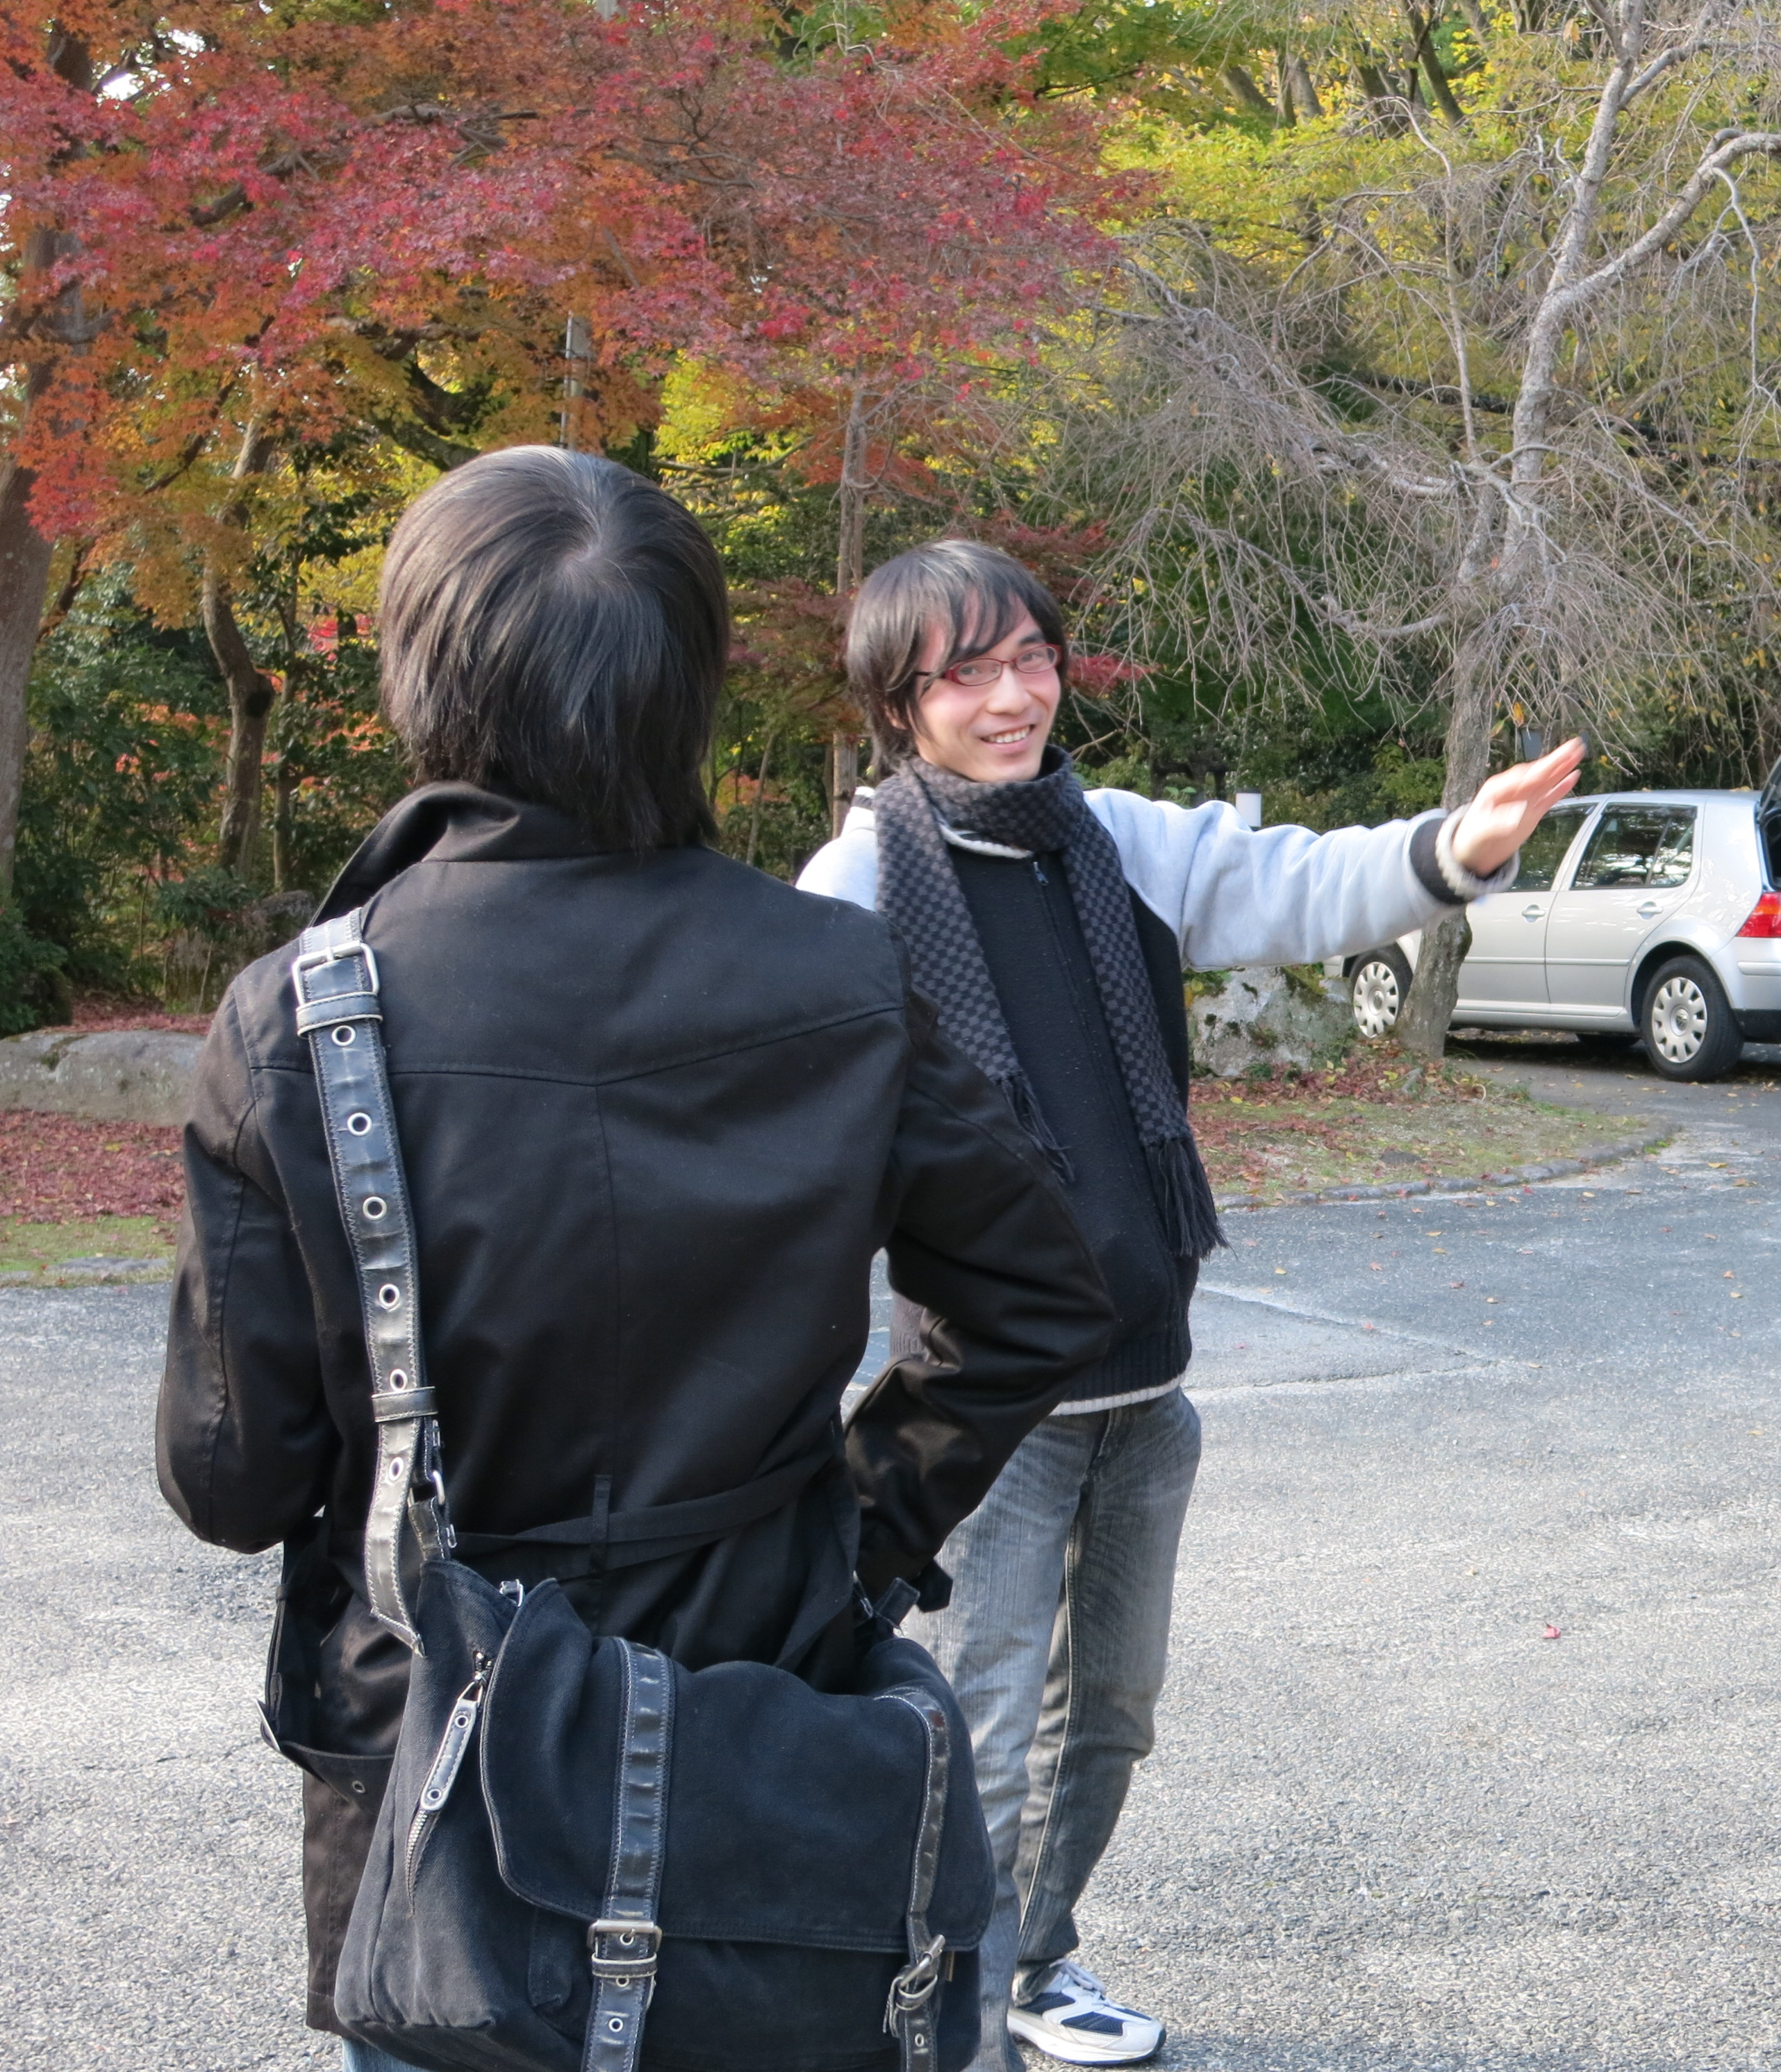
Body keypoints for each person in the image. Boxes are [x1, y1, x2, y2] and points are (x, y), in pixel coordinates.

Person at [156, 451, 1116, 2070]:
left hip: (439, 1766)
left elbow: (232, 1480)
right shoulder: (836, 972)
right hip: (766, 1703)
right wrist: (859, 1528)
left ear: (422, 674)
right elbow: (1036, 1295)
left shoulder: (304, 1018)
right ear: (689, 689)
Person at [797, 539, 1581, 2070]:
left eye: (1032, 658)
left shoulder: (1118, 844)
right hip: (985, 1410)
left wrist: (1460, 845)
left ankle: (1035, 1961)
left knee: (1113, 1714)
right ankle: (947, 2006)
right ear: (899, 703)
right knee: (984, 1734)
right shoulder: (859, 888)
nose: (1013, 697)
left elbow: (1295, 883)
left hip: (1145, 1387)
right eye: (968, 673)